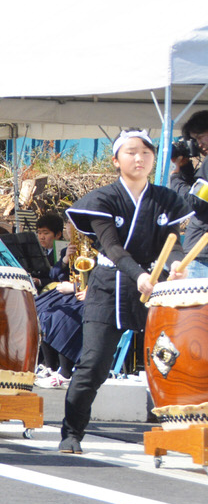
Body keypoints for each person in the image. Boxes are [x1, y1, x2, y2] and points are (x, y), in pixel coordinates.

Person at [60, 129, 208, 454]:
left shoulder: (166, 199)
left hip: (153, 287)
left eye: (145, 152)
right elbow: (112, 247)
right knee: (94, 365)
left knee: (170, 361)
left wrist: (177, 266)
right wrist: (140, 275)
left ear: (154, 158)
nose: (139, 158)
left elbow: (173, 246)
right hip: (108, 286)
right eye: (130, 152)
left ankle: (184, 431)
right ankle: (71, 433)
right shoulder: (103, 199)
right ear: (116, 160)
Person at [34, 212, 82, 387]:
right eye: (69, 223)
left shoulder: (93, 249)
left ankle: (64, 370)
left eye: (72, 224)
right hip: (66, 292)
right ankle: (49, 366)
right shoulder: (66, 249)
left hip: (82, 294)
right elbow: (54, 275)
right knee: (39, 310)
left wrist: (76, 288)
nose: (70, 228)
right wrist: (64, 260)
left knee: (60, 316)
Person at [168, 110, 208, 278]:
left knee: (194, 304)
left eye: (200, 137)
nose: (198, 144)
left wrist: (175, 178)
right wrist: (185, 168)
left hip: (202, 255)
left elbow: (195, 202)